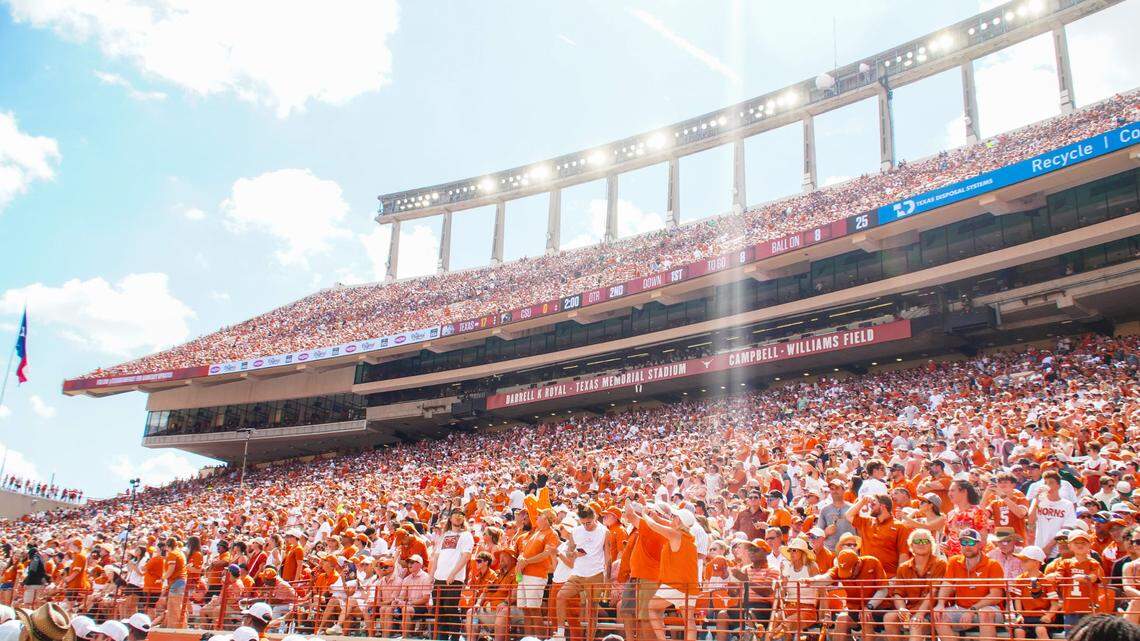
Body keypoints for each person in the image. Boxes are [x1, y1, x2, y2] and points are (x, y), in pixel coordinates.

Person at [935, 529, 1004, 641]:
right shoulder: (954, 561)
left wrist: (972, 610)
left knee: (984, 613)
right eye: (964, 542)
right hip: (962, 609)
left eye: (971, 542)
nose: (967, 546)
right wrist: (940, 603)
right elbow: (946, 584)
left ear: (980, 544)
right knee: (938, 616)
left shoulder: (992, 564)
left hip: (988, 609)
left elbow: (996, 595)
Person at [551, 505, 608, 641]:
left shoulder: (605, 531)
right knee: (561, 596)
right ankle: (560, 633)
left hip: (596, 574)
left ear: (594, 518)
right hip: (578, 574)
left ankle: (590, 639)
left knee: (592, 609)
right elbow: (570, 553)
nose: (586, 526)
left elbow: (608, 556)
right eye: (583, 523)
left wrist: (608, 578)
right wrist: (574, 554)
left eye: (588, 522)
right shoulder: (576, 531)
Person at [884, 528, 945, 641]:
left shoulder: (940, 564)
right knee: (889, 618)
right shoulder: (903, 567)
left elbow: (934, 591)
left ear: (931, 544)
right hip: (911, 609)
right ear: (911, 545)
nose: (921, 544)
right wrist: (902, 609)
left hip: (932, 612)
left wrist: (920, 614)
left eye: (925, 541)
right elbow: (898, 593)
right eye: (917, 541)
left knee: (915, 624)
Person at [430, 509, 474, 641]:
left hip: (454, 578)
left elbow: (466, 556)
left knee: (451, 609)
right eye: (455, 515)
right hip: (439, 578)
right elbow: (436, 556)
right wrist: (432, 574)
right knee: (439, 611)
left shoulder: (466, 535)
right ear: (450, 518)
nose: (458, 517)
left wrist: (453, 574)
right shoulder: (444, 535)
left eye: (461, 515)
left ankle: (455, 638)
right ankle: (441, 638)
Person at [1008, 545, 1060, 640]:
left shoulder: (1046, 580)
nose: (1022, 563)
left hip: (1041, 616)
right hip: (1026, 616)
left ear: (1036, 563)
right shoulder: (1019, 579)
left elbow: (1055, 603)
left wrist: (1049, 615)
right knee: (1019, 631)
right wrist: (1019, 614)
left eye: (1025, 560)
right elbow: (1017, 599)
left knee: (1040, 630)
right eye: (1022, 560)